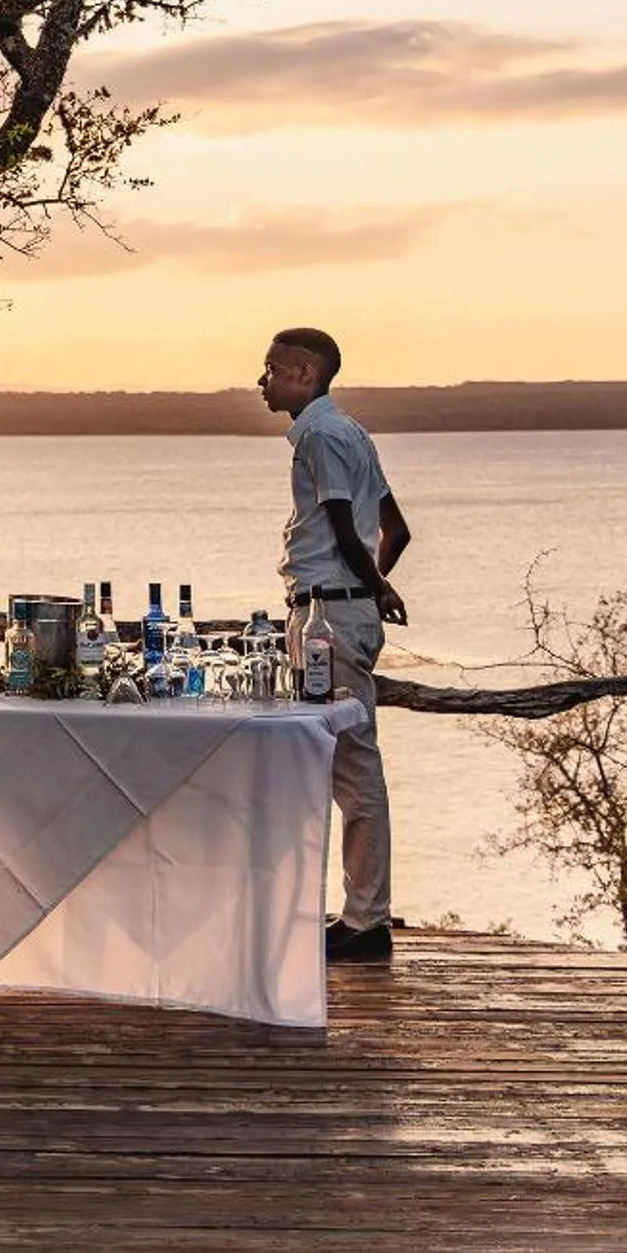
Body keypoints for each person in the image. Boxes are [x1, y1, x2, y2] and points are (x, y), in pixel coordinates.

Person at [257, 326, 414, 965]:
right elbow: (397, 530)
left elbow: (351, 527)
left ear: (301, 372)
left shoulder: (322, 437)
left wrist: (363, 587)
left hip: (326, 615)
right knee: (343, 759)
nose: (260, 380)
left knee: (349, 761)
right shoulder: (351, 432)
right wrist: (373, 589)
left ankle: (365, 921)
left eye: (269, 369)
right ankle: (358, 912)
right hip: (339, 609)